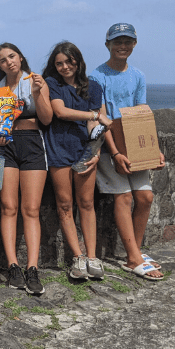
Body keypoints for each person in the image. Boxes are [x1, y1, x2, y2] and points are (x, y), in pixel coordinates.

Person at [89, 23, 165, 281]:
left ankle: (135, 250)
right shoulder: (97, 77)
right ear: (107, 44)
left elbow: (141, 114)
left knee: (145, 198)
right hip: (109, 145)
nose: (122, 46)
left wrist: (153, 150)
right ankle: (133, 257)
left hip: (133, 145)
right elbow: (102, 117)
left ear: (134, 44)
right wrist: (115, 152)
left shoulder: (138, 75)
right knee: (122, 198)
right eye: (117, 42)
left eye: (127, 42)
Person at [0, 43, 53, 295]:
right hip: (5, 148)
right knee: (8, 207)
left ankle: (32, 268)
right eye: (2, 60)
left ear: (20, 57)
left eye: (12, 56)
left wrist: (37, 92)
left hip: (32, 144)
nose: (8, 62)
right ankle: (13, 266)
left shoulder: (36, 81)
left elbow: (46, 118)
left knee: (31, 209)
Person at [42, 42, 112, 280]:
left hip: (84, 149)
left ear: (78, 61)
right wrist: (96, 115)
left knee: (86, 203)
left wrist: (96, 150)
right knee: (64, 204)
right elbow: (60, 112)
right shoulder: (52, 84)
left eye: (69, 61)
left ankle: (92, 256)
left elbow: (94, 127)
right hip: (58, 147)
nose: (64, 67)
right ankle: (78, 257)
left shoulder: (93, 87)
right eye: (59, 63)